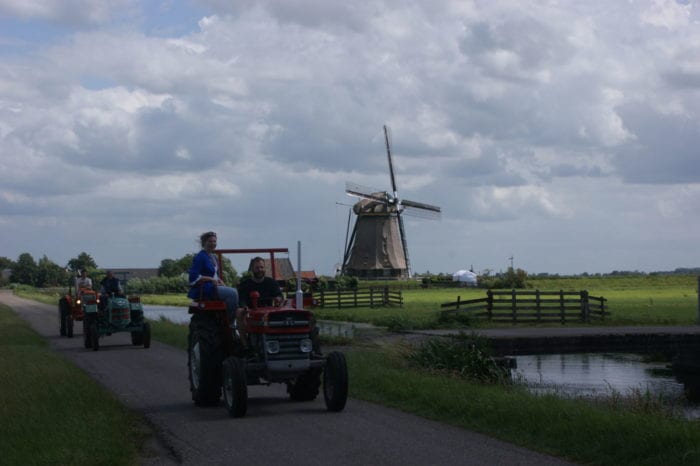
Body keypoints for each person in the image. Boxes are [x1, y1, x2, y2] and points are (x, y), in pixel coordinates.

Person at [187, 231, 239, 324]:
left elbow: (214, 274)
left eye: (214, 241)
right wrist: (210, 279)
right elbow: (193, 277)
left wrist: (219, 280)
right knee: (233, 293)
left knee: (236, 290)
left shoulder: (213, 257)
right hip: (206, 289)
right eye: (210, 241)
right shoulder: (200, 257)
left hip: (214, 286)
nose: (213, 244)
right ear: (204, 243)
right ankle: (231, 322)